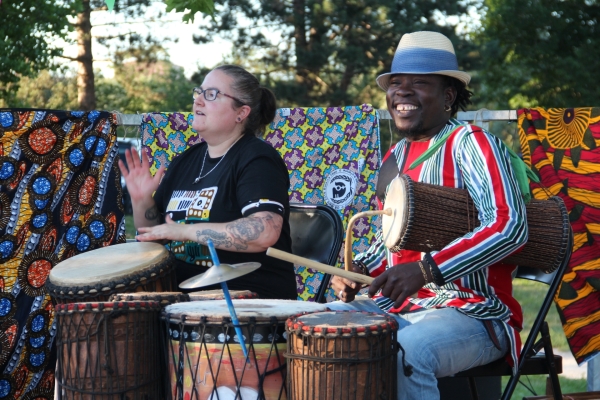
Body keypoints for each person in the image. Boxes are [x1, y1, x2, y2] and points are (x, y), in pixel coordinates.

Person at [329, 31, 528, 400]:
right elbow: (388, 243)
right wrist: (357, 271)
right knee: (317, 330)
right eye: (396, 83)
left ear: (448, 96)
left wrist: (426, 270)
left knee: (405, 351)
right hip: (400, 308)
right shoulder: (394, 159)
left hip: (472, 312)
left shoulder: (472, 143)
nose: (402, 92)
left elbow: (509, 226)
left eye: (419, 83)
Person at [118, 64, 297, 300]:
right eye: (199, 92)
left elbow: (264, 232)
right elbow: (157, 236)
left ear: (241, 113)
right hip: (183, 303)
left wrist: (185, 231)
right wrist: (141, 201)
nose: (198, 101)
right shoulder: (187, 161)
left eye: (211, 94)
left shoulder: (257, 159)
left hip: (250, 307)